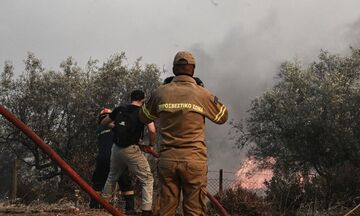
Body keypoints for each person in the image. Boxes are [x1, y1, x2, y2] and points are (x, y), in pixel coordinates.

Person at [139, 51, 228, 216]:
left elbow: (143, 116)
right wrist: (204, 93)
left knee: (165, 209)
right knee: (194, 210)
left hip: (167, 160)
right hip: (194, 160)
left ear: (174, 69)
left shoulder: (160, 92)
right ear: (193, 70)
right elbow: (222, 116)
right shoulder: (202, 94)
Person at [101, 90, 155, 216]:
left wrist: (117, 128)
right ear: (143, 100)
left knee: (112, 176)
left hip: (116, 148)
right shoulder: (143, 112)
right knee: (147, 179)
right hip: (131, 149)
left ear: (131, 98)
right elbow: (152, 130)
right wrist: (151, 145)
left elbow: (104, 123)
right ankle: (146, 211)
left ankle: (102, 206)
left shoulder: (120, 109)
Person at [89, 108, 135, 214]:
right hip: (117, 157)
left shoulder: (99, 130)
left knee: (98, 183)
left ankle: (94, 207)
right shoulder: (117, 128)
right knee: (125, 183)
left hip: (102, 158)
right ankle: (130, 209)